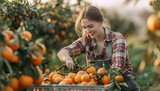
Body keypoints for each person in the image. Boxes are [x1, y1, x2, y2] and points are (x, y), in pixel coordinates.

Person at [57, 6, 139, 91]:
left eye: (90, 26)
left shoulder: (116, 39)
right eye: (84, 27)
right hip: (100, 87)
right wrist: (67, 58)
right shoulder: (86, 41)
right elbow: (62, 52)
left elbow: (117, 68)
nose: (87, 31)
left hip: (123, 86)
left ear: (100, 22)